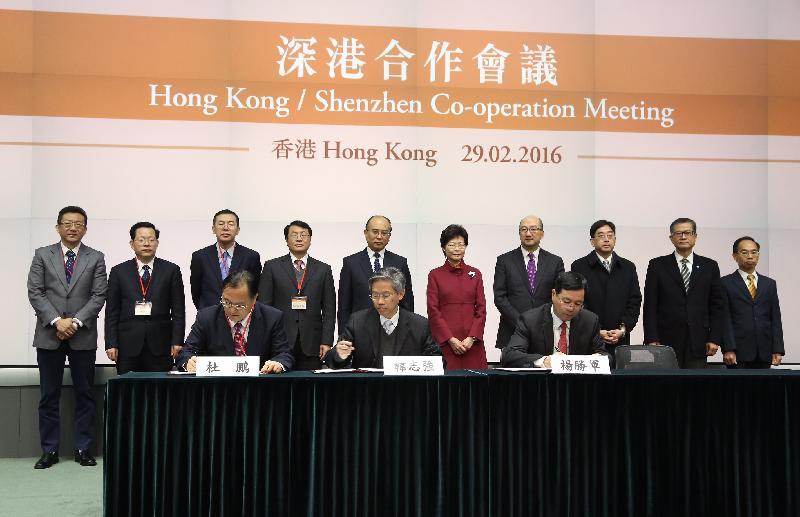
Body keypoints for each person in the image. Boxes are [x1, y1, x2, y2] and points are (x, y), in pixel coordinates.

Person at [27, 206, 107, 469]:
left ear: (85, 228)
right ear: (58, 226)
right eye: (68, 223)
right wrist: (56, 321)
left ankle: (83, 448)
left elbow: (98, 295)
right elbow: (35, 291)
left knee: (85, 394)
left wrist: (74, 321)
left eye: (78, 224)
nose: (73, 228)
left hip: (81, 334)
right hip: (49, 333)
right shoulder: (42, 254)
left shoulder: (95, 257)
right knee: (49, 395)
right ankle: (49, 450)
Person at [643, 218, 726, 368]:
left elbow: (717, 306)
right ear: (671, 238)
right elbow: (650, 305)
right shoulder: (657, 265)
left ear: (695, 236)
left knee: (695, 387)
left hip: (699, 339)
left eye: (687, 233)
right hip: (665, 340)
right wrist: (651, 338)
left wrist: (714, 338)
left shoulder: (710, 266)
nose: (683, 237)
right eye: (678, 233)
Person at [105, 222, 185, 374]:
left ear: (157, 243)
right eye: (141, 240)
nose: (146, 243)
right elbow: (112, 312)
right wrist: (111, 343)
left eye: (151, 239)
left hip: (161, 343)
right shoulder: (118, 271)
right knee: (128, 391)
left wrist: (177, 341)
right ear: (132, 243)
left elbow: (178, 311)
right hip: (127, 344)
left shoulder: (171, 270)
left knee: (160, 390)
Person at [178, 270, 293, 373]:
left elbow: (284, 354)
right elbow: (187, 352)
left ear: (254, 299)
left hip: (258, 386)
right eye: (227, 302)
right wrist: (188, 362)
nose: (232, 310)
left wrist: (278, 363)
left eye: (240, 305)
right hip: (218, 386)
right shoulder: (206, 317)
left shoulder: (272, 317)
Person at [325, 267, 440, 369]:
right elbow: (332, 361)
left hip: (405, 389)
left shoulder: (419, 325)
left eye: (386, 295)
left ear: (401, 294)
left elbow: (437, 360)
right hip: (367, 389)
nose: (380, 301)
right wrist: (338, 355)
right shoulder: (357, 321)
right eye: (375, 296)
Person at [259, 220, 335, 370]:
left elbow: (329, 309)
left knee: (310, 386)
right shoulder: (272, 266)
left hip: (313, 342)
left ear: (310, 240)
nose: (299, 238)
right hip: (280, 340)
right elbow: (264, 306)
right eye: (294, 235)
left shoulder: (323, 269)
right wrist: (266, 338)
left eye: (303, 235)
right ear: (286, 240)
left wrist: (326, 341)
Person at [500, 271, 606, 368]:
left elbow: (606, 357)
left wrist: (596, 359)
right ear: (553, 294)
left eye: (578, 303)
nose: (571, 308)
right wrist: (544, 361)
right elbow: (510, 356)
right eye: (566, 301)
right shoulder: (530, 320)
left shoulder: (590, 321)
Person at [570, 220, 641, 357]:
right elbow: (578, 303)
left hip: (620, 338)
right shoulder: (579, 266)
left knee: (619, 375)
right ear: (592, 241)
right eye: (601, 236)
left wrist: (623, 329)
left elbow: (634, 301)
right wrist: (596, 330)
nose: (606, 239)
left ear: (615, 239)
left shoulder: (628, 267)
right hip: (588, 336)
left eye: (610, 235)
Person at [493, 215, 564, 348]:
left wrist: (541, 321)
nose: (528, 233)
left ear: (542, 234)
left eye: (533, 229)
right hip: (512, 330)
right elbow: (500, 297)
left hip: (545, 330)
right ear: (519, 233)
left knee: (545, 367)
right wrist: (521, 322)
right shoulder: (504, 261)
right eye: (523, 229)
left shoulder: (555, 262)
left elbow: (559, 295)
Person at [338, 215, 414, 331]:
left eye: (384, 233)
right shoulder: (350, 263)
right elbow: (344, 305)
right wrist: (343, 337)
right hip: (360, 329)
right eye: (375, 232)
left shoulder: (400, 262)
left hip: (392, 329)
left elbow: (407, 302)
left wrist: (408, 331)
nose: (379, 237)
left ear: (389, 236)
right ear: (365, 233)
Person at [426, 224, 487, 369]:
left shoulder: (475, 273)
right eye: (452, 244)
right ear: (443, 247)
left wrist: (472, 338)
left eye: (461, 244)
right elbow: (433, 310)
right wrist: (450, 339)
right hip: (447, 343)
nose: (457, 249)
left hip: (472, 344)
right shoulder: (435, 275)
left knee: (476, 386)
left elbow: (481, 309)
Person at [721, 236, 784, 368]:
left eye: (754, 252)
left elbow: (775, 319)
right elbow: (724, 319)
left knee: (765, 389)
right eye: (744, 252)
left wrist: (777, 349)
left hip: (765, 350)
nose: (750, 256)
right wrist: (728, 348)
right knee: (738, 388)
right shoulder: (725, 283)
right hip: (738, 352)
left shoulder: (769, 284)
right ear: (734, 256)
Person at [190, 209, 261, 310]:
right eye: (221, 224)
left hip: (240, 314)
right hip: (209, 315)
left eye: (231, 224)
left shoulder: (251, 256)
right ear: (213, 229)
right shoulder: (200, 256)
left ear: (238, 230)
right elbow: (196, 292)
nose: (225, 228)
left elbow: (255, 290)